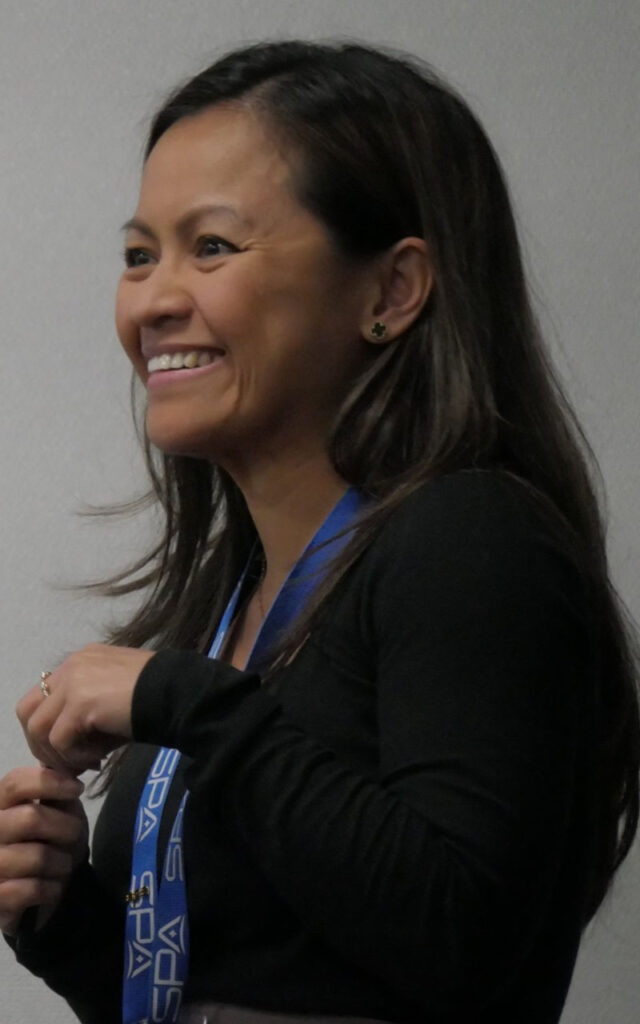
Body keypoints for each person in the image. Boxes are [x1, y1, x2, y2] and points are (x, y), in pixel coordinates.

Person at [1, 38, 639, 1024]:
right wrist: (65, 920)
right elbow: (256, 985)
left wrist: (187, 701)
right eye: (139, 254)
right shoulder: (234, 593)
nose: (154, 300)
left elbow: (464, 945)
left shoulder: (471, 540)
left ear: (390, 291)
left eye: (211, 246)